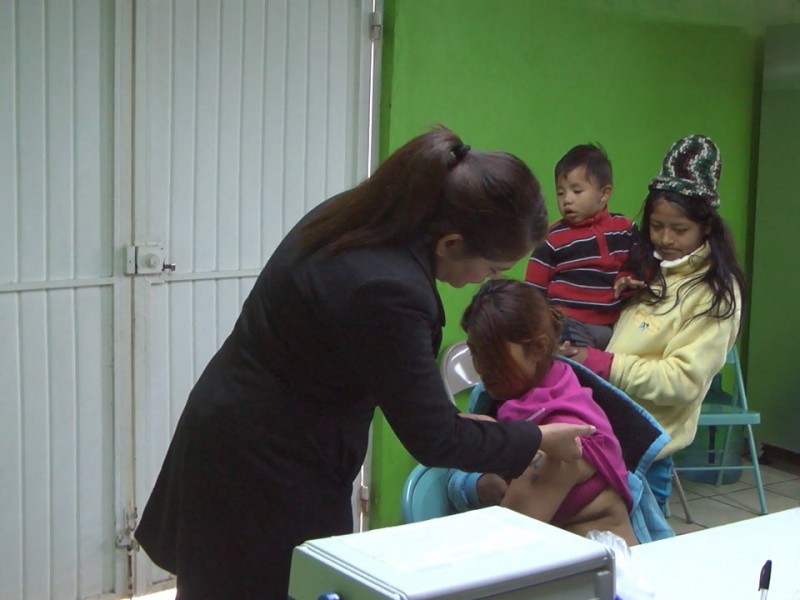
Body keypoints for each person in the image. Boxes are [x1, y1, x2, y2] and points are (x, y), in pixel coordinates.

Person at [133, 126, 597, 599]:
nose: (485, 279)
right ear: (451, 243)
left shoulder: (360, 220)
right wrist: (537, 437)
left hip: (239, 429)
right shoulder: (388, 289)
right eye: (493, 268)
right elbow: (434, 439)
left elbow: (392, 384)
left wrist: (456, 420)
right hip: (263, 466)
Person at [563, 134, 746, 506]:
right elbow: (634, 341)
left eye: (679, 230)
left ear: (706, 227)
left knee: (642, 551)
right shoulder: (654, 271)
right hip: (608, 433)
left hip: (648, 452)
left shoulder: (714, 292)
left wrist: (604, 364)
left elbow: (682, 381)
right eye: (656, 226)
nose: (664, 239)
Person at [461, 279, 638, 546]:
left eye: (493, 354)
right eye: (475, 352)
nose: (481, 367)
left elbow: (504, 547)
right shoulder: (548, 390)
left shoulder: (562, 444)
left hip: (601, 581)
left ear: (539, 347)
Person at [525, 144, 638, 350]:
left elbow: (642, 261)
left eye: (577, 191)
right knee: (578, 372)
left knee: (615, 373)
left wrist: (629, 275)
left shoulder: (625, 228)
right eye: (560, 193)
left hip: (617, 325)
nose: (567, 200)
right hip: (570, 324)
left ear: (604, 194)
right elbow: (534, 288)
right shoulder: (551, 238)